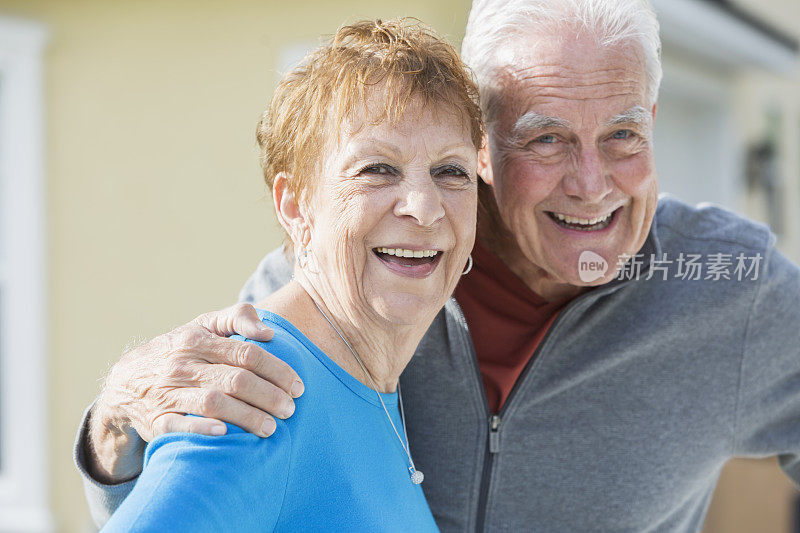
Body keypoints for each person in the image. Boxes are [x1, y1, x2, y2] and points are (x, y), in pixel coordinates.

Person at [76, 1, 800, 531]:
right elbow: (209, 480)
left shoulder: (730, 289)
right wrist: (114, 427)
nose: (591, 180)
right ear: (485, 149)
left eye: (622, 133)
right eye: (546, 138)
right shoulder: (345, 299)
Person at [97, 18, 482, 531]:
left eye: (451, 170)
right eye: (377, 169)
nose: (424, 207)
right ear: (296, 206)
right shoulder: (259, 391)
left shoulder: (368, 382)